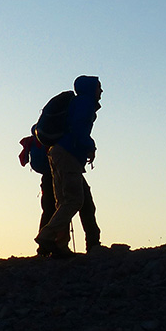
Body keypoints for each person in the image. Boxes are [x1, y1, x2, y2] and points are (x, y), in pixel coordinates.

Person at [34, 76, 103, 258]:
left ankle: (60, 245)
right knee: (74, 200)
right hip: (68, 154)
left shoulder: (77, 103)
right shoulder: (84, 103)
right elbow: (79, 129)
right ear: (90, 88)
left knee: (63, 202)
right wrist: (90, 146)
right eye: (99, 87)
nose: (101, 91)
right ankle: (47, 236)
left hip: (56, 152)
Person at [19, 127, 100, 255]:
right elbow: (80, 129)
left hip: (49, 171)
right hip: (66, 165)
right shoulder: (67, 123)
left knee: (52, 209)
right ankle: (92, 244)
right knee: (83, 205)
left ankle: (48, 248)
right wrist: (90, 148)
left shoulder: (44, 129)